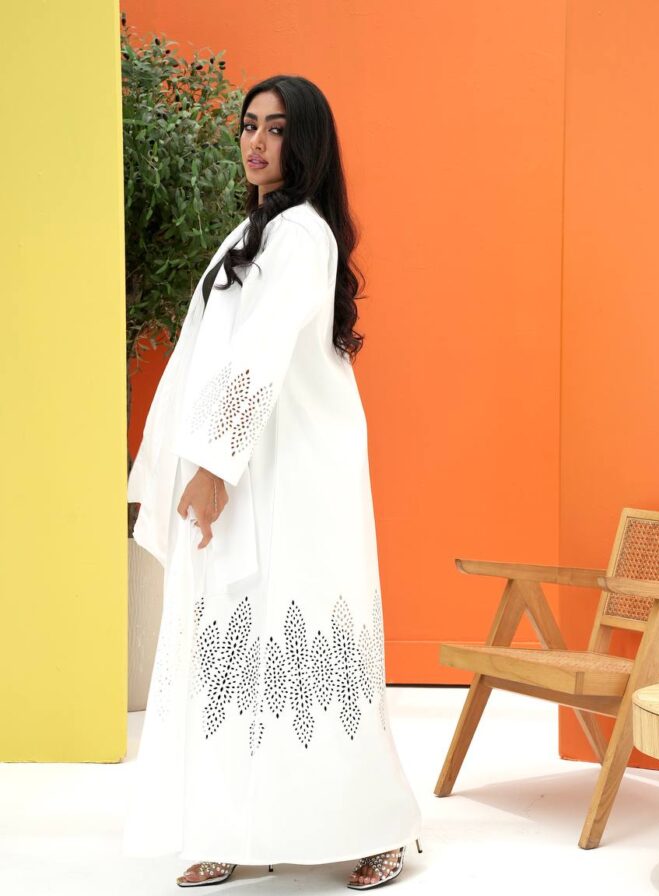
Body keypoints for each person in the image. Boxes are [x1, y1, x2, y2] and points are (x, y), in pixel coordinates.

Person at [122, 74, 422, 890]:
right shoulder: (249, 234)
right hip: (248, 469)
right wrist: (187, 464)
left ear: (306, 142)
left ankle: (379, 827)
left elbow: (260, 354)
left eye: (276, 128)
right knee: (234, 641)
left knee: (308, 641)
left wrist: (214, 465)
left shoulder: (302, 234)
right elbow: (204, 356)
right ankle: (231, 824)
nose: (256, 142)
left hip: (296, 477)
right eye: (249, 125)